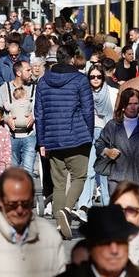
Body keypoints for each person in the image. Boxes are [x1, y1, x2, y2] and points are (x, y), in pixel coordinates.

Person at [34, 44, 94, 231]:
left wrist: (41, 141)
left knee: (58, 183)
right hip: (77, 136)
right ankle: (67, 210)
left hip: (52, 138)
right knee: (79, 176)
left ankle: (60, 225)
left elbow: (39, 114)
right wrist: (89, 134)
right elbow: (88, 110)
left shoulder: (43, 81)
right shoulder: (80, 80)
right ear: (72, 58)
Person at [94, 87, 139, 197]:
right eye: (129, 104)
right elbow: (99, 143)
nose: (132, 107)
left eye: (136, 103)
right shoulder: (113, 125)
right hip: (117, 179)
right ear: (123, 106)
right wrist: (107, 151)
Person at [71, 63, 118, 222]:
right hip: (88, 133)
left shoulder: (112, 92)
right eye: (92, 77)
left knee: (105, 173)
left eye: (99, 76)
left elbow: (116, 115)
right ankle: (84, 207)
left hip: (107, 134)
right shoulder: (83, 93)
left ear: (103, 77)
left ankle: (107, 208)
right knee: (89, 171)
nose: (96, 79)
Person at [0, 59, 37, 175]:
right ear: (18, 73)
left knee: (28, 171)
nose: (31, 73)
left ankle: (26, 193)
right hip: (10, 136)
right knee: (12, 171)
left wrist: (34, 116)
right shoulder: (5, 88)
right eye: (28, 70)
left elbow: (41, 109)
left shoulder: (34, 89)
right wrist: (6, 119)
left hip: (30, 136)